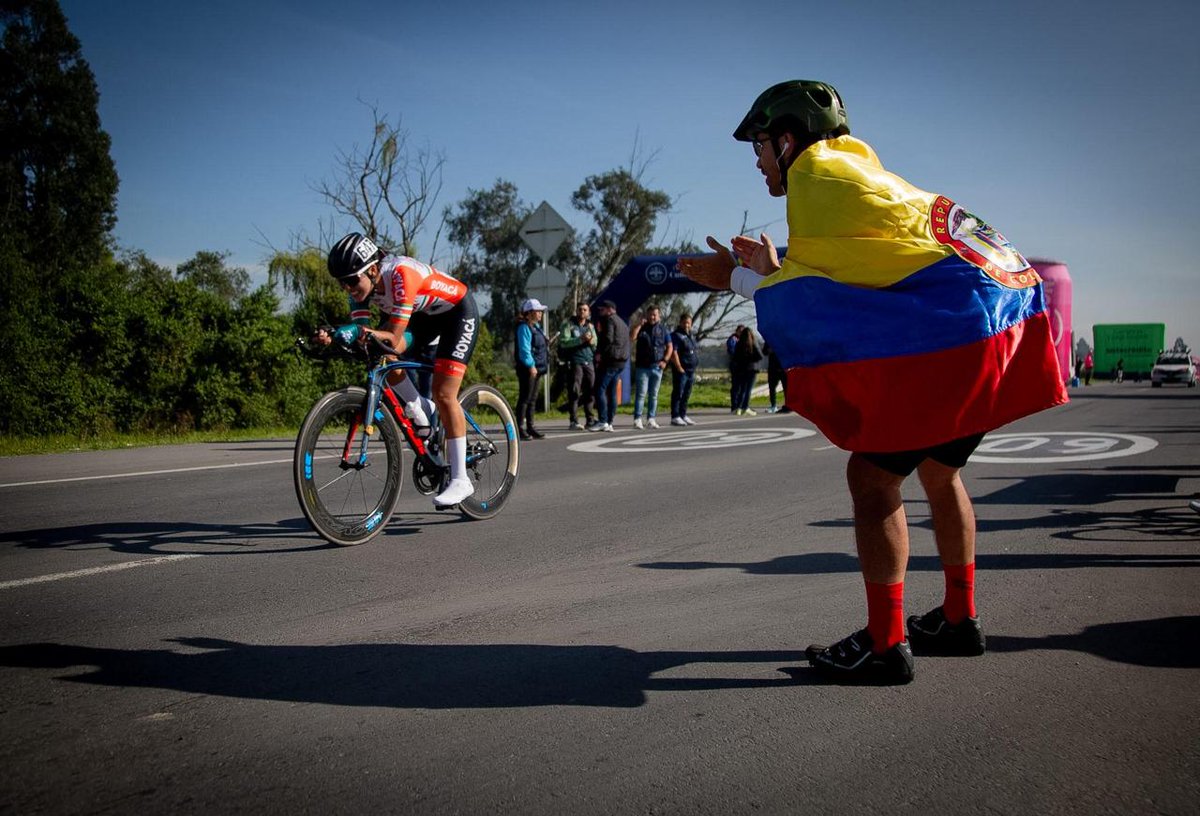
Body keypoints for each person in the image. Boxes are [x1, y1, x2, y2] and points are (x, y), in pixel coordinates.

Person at [677, 80, 1067, 684]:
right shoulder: (857, 170)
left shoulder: (814, 177)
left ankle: (885, 646)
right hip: (1004, 312)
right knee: (940, 470)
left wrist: (732, 277)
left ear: (787, 140)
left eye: (757, 146)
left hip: (963, 328)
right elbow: (859, 275)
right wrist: (772, 267)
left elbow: (807, 303)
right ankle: (959, 619)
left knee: (871, 475)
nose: (756, 162)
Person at [316, 232, 481, 508]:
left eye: (351, 280)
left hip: (457, 314)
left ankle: (461, 479)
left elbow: (392, 336)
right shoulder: (360, 292)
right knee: (382, 356)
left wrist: (356, 331)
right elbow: (369, 339)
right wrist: (334, 336)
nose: (347, 288)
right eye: (342, 283)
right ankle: (419, 409)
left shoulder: (401, 274)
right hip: (423, 319)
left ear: (371, 269)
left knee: (443, 393)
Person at [630, 304, 673, 429]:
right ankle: (637, 418)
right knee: (641, 394)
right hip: (642, 367)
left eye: (655, 315)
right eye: (650, 314)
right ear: (646, 315)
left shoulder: (663, 330)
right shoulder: (642, 328)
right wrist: (639, 324)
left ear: (659, 316)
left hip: (657, 367)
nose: (652, 317)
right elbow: (632, 337)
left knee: (654, 395)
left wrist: (665, 360)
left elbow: (669, 346)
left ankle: (651, 418)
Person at [588, 300, 630, 432]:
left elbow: (608, 339)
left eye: (603, 309)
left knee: (599, 389)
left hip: (610, 361)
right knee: (611, 392)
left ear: (610, 309)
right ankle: (610, 421)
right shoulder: (622, 323)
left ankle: (602, 420)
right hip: (621, 362)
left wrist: (600, 353)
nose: (601, 311)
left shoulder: (609, 320)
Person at [558, 302, 597, 430]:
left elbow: (595, 342)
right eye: (580, 309)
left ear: (588, 312)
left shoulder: (590, 326)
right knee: (574, 391)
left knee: (590, 390)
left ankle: (590, 419)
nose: (582, 312)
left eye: (585, 310)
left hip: (589, 361)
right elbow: (564, 342)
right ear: (576, 310)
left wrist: (591, 341)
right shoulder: (568, 324)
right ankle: (573, 421)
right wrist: (580, 339)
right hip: (575, 362)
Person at [514, 298, 549, 440]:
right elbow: (524, 350)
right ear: (529, 313)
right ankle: (520, 428)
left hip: (537, 368)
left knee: (532, 399)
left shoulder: (536, 327)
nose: (540, 313)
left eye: (541, 311)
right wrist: (531, 365)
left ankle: (531, 426)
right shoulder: (524, 327)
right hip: (528, 369)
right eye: (538, 311)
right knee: (525, 398)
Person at [669, 313, 700, 425]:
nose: (687, 325)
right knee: (678, 393)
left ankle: (683, 414)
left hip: (691, 370)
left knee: (687, 393)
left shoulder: (690, 336)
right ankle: (675, 415)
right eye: (685, 323)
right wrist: (679, 367)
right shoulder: (676, 335)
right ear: (680, 323)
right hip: (681, 370)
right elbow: (674, 352)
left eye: (689, 323)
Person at [730, 325, 763, 416]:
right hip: (752, 369)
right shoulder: (753, 343)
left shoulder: (739, 344)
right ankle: (745, 407)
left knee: (742, 389)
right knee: (748, 390)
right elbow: (760, 356)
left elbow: (735, 357)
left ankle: (738, 407)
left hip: (742, 369)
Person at [764, 341, 788, 413]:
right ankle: (773, 405)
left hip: (783, 367)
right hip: (773, 368)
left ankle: (788, 404)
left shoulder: (783, 340)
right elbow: (764, 351)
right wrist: (769, 350)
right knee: (772, 387)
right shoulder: (769, 339)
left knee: (786, 387)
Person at [726, 324, 745, 413]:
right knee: (736, 386)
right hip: (735, 365)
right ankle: (734, 405)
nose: (741, 333)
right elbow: (731, 350)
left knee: (742, 386)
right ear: (737, 331)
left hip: (743, 366)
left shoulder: (744, 340)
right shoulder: (733, 339)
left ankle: (741, 405)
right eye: (740, 331)